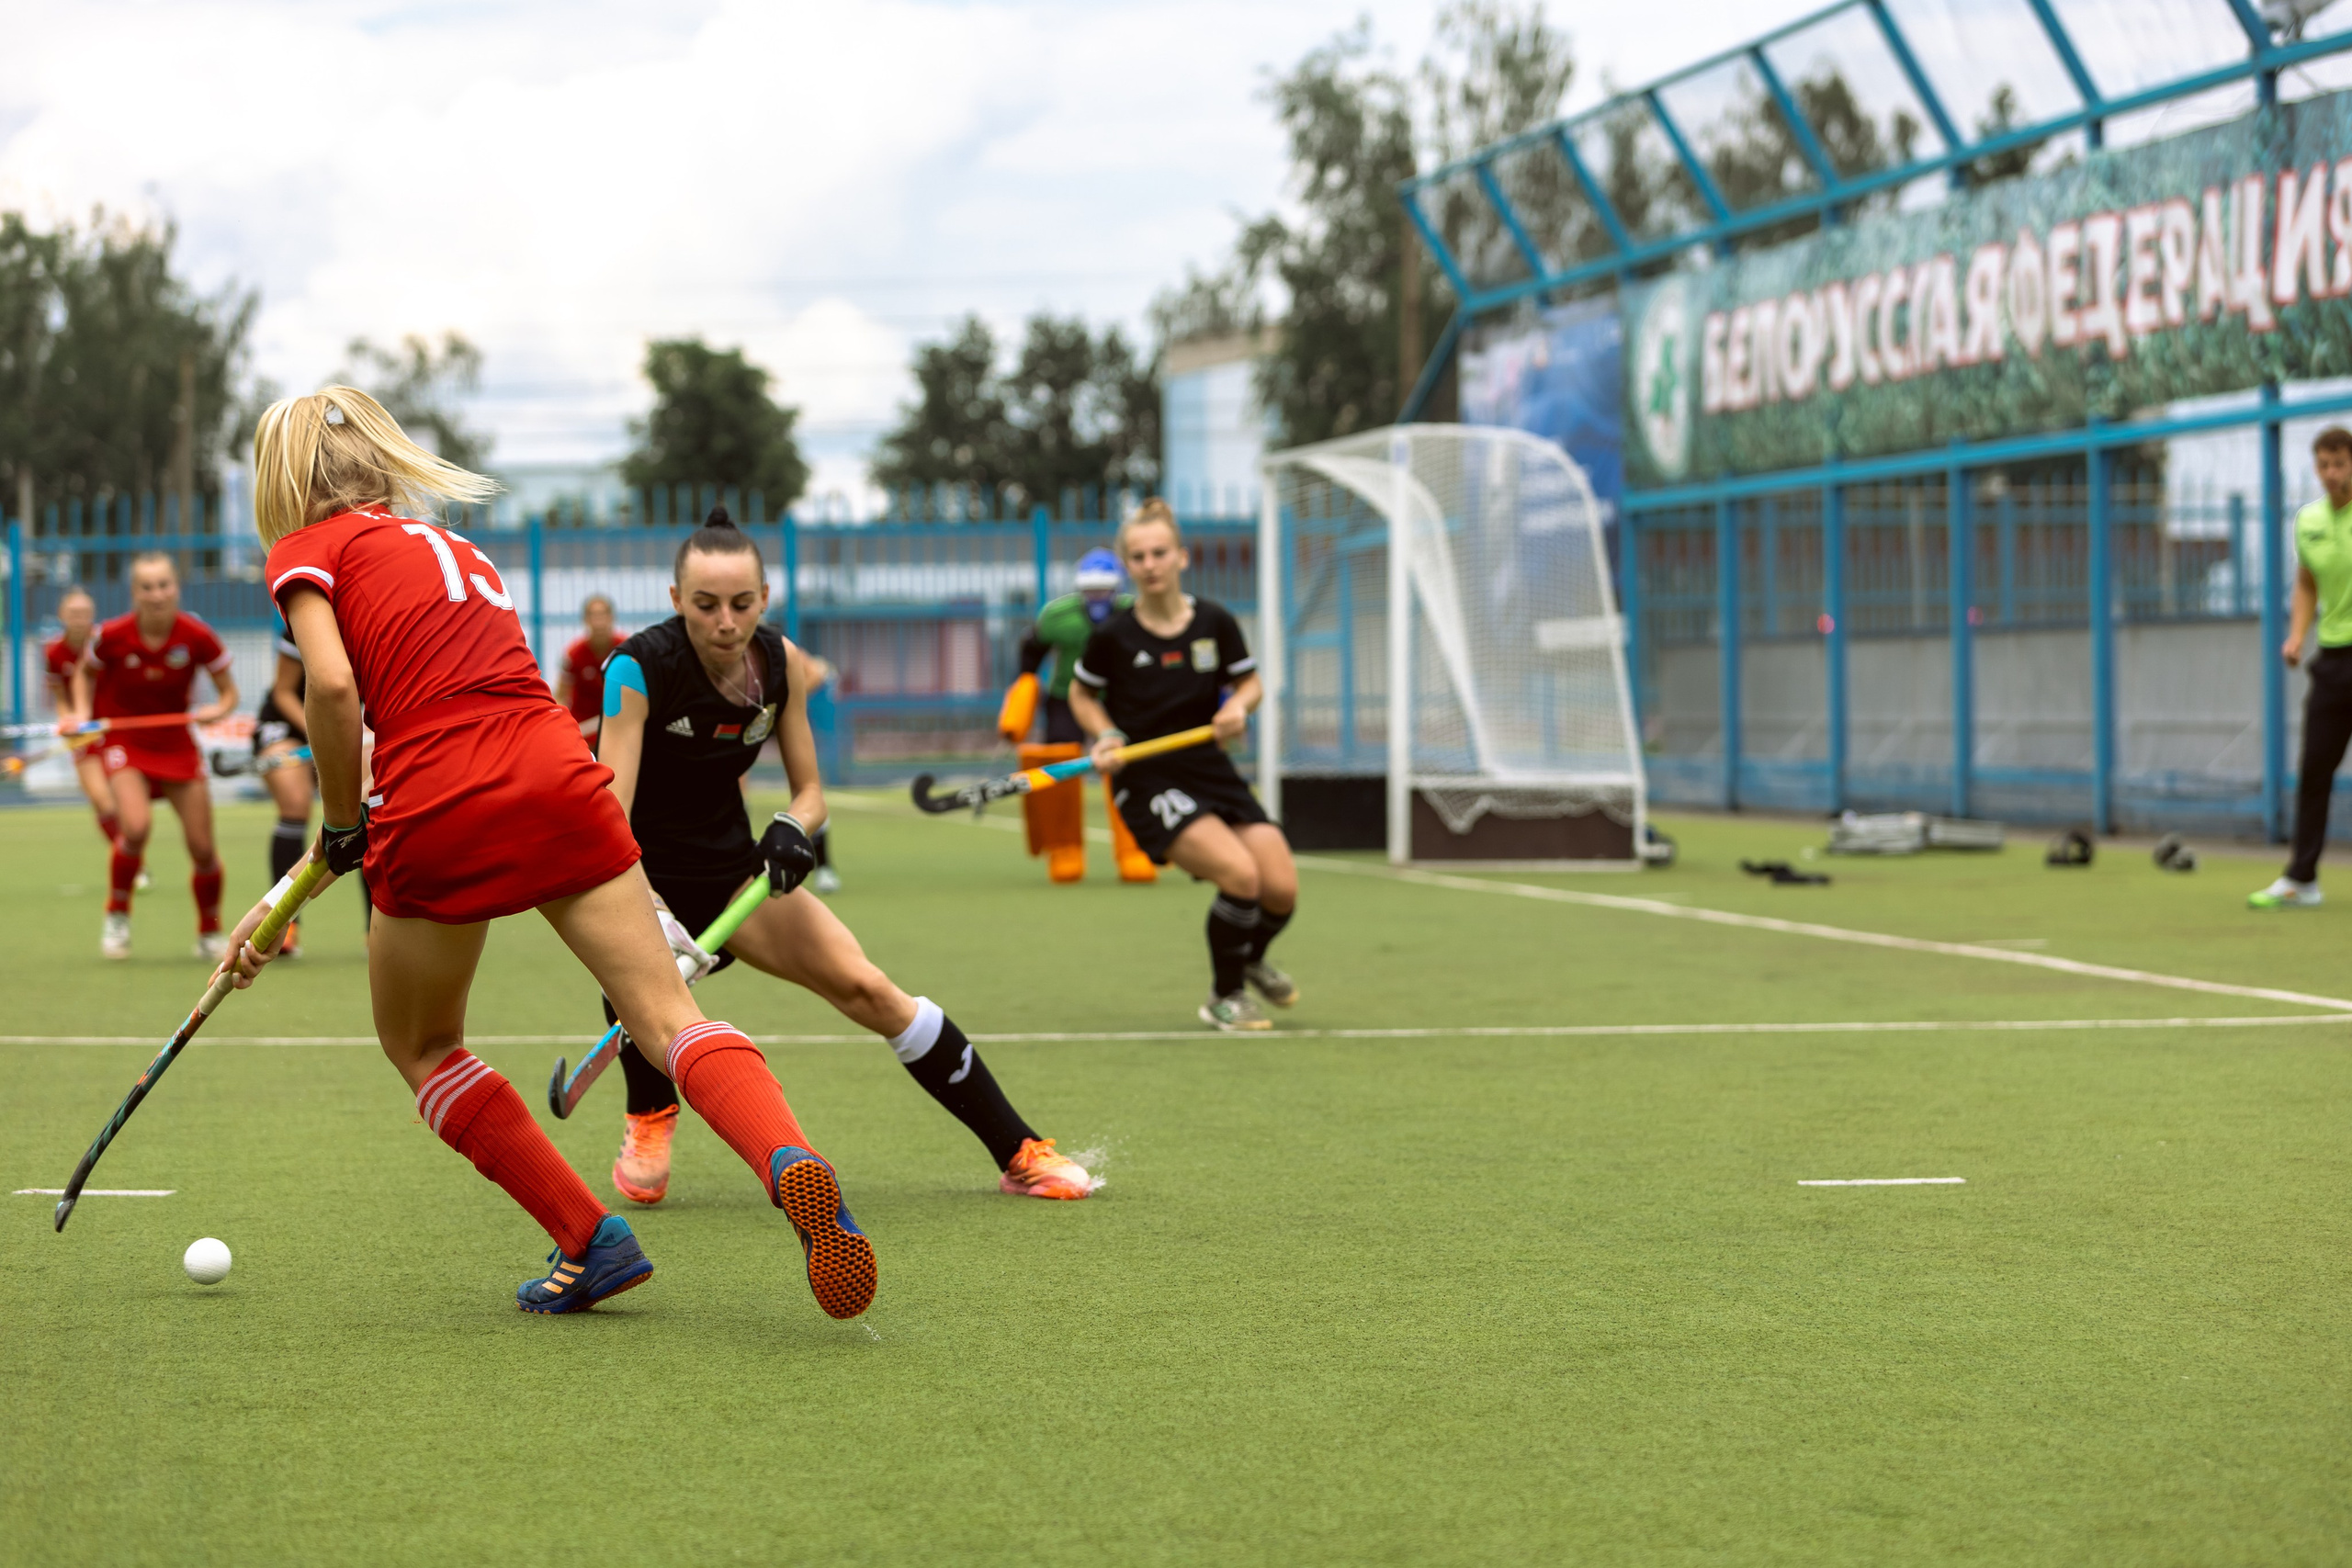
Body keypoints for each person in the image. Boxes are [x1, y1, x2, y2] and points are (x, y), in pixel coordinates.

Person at [217, 388, 876, 1319]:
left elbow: (331, 688)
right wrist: (295, 878)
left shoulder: (304, 551)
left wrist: (335, 825)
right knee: (666, 1014)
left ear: (283, 483)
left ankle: (588, 1238)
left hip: (440, 794)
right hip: (558, 770)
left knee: (423, 1043)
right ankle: (790, 1158)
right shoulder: (456, 549)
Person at [596, 507, 1092, 1204]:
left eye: (742, 603)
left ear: (764, 599)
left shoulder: (781, 663)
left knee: (868, 987)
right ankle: (650, 1113)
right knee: (637, 992)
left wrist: (792, 827)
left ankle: (1018, 1149)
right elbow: (606, 817)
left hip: (735, 876)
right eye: (705, 605)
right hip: (638, 874)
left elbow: (811, 792)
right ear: (677, 602)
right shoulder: (637, 668)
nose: (726, 622)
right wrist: (647, 908)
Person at [1068, 500, 1299, 1031]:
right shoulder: (1113, 637)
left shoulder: (1215, 622)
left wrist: (1238, 707)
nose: (1150, 564)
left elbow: (1250, 683)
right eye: (1138, 556)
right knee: (1240, 874)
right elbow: (1082, 696)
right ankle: (1225, 995)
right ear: (1128, 565)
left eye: (1159, 553)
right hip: (1145, 776)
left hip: (1208, 766)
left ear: (1182, 558)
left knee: (1281, 886)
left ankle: (1250, 956)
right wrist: (1105, 733)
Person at [80, 553, 240, 962]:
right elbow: (85, 673)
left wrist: (217, 710)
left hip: (176, 746)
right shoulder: (111, 635)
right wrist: (82, 716)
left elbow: (229, 694)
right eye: (146, 587)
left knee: (203, 848)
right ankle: (117, 916)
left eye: (164, 585)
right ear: (134, 593)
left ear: (176, 588)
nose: (156, 595)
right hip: (124, 742)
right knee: (134, 828)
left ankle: (209, 932)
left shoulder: (196, 635)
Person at [997, 547, 1156, 883]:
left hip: (1119, 699)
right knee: (1059, 763)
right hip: (1066, 696)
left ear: (1118, 590)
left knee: (1130, 763)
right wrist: (1022, 698)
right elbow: (1032, 653)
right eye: (1090, 590)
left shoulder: (1137, 614)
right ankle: (1064, 848)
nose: (1097, 597)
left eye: (1104, 590)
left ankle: (1136, 847)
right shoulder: (1057, 617)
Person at [2256, 424, 2352, 909]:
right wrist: (2296, 635)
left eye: (2340, 463)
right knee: (2314, 768)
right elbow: (2308, 583)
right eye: (2325, 465)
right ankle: (2302, 878)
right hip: (2333, 661)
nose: (2332, 474)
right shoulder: (2309, 520)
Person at [43, 587, 119, 850]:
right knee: (102, 801)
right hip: (82, 734)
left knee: (125, 799)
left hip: (113, 729)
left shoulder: (106, 643)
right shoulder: (53, 653)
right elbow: (61, 698)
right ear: (62, 615)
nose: (79, 619)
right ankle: (133, 863)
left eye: (84, 613)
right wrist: (68, 720)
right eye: (74, 613)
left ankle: (129, 855)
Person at [555, 593, 626, 740]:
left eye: (603, 614)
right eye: (594, 615)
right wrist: (560, 723)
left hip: (618, 727)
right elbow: (561, 695)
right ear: (585, 620)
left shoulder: (626, 650)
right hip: (582, 730)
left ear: (611, 617)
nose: (599, 621)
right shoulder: (574, 654)